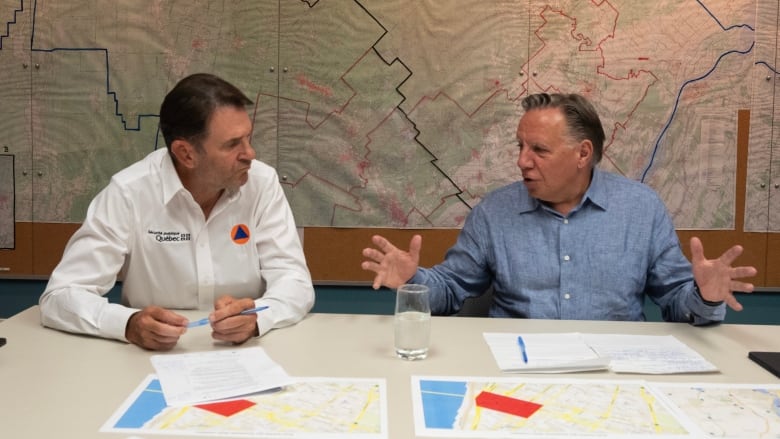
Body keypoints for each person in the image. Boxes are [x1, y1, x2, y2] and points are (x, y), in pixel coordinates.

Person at [362, 92, 757, 325]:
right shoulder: (494, 213)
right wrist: (414, 282)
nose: (522, 161)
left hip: (616, 370)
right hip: (514, 365)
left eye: (539, 150)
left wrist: (705, 297)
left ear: (583, 153)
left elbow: (677, 301)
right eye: (521, 147)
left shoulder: (641, 209)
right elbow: (449, 291)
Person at [40, 73, 314, 350]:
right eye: (233, 144)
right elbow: (61, 296)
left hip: (245, 353)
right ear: (186, 154)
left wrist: (256, 318)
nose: (250, 153)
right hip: (150, 358)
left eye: (248, 138)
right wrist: (128, 323)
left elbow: (295, 281)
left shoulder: (262, 183)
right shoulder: (129, 192)